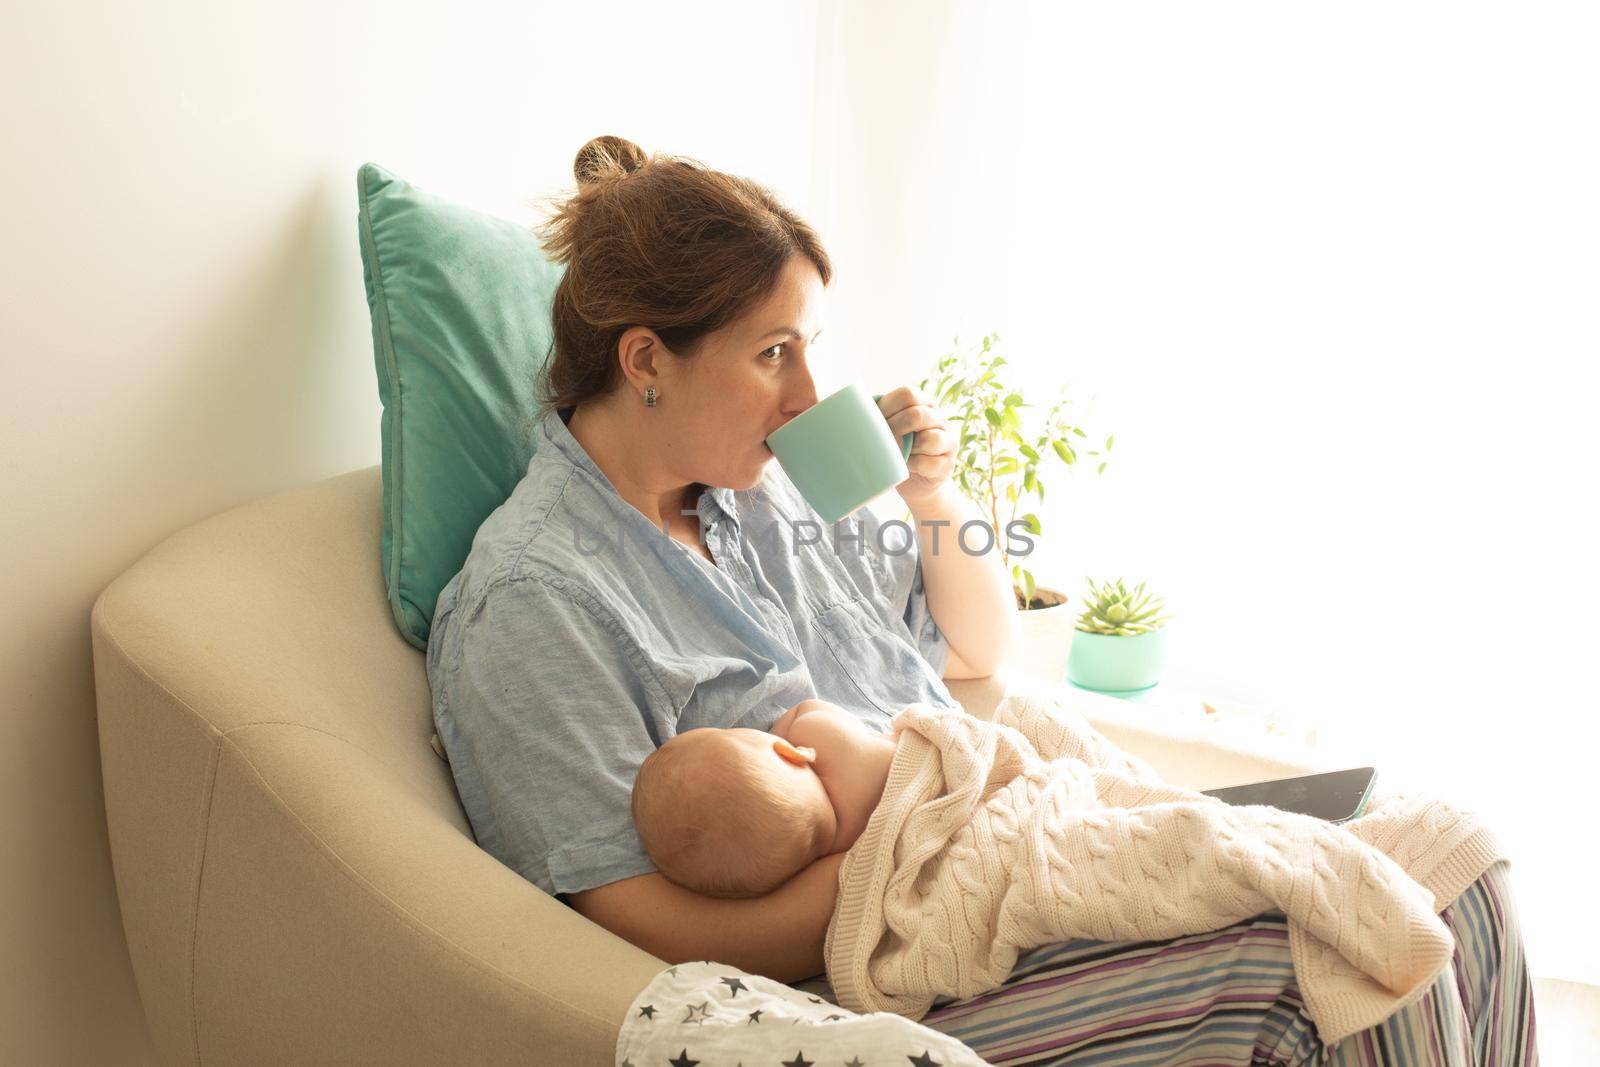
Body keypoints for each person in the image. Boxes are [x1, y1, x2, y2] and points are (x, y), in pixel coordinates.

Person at [425, 135, 1537, 1065]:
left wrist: (932, 494)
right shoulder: (535, 601)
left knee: (1462, 872)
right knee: (1335, 960)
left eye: (807, 347)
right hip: (892, 955)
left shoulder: (751, 498)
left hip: (1020, 830)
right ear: (644, 360)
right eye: (773, 353)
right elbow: (632, 924)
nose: (811, 394)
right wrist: (893, 846)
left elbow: (974, 648)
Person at [630, 697, 893, 899]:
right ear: (791, 753)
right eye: (732, 734)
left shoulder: (839, 858)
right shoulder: (818, 735)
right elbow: (808, 707)